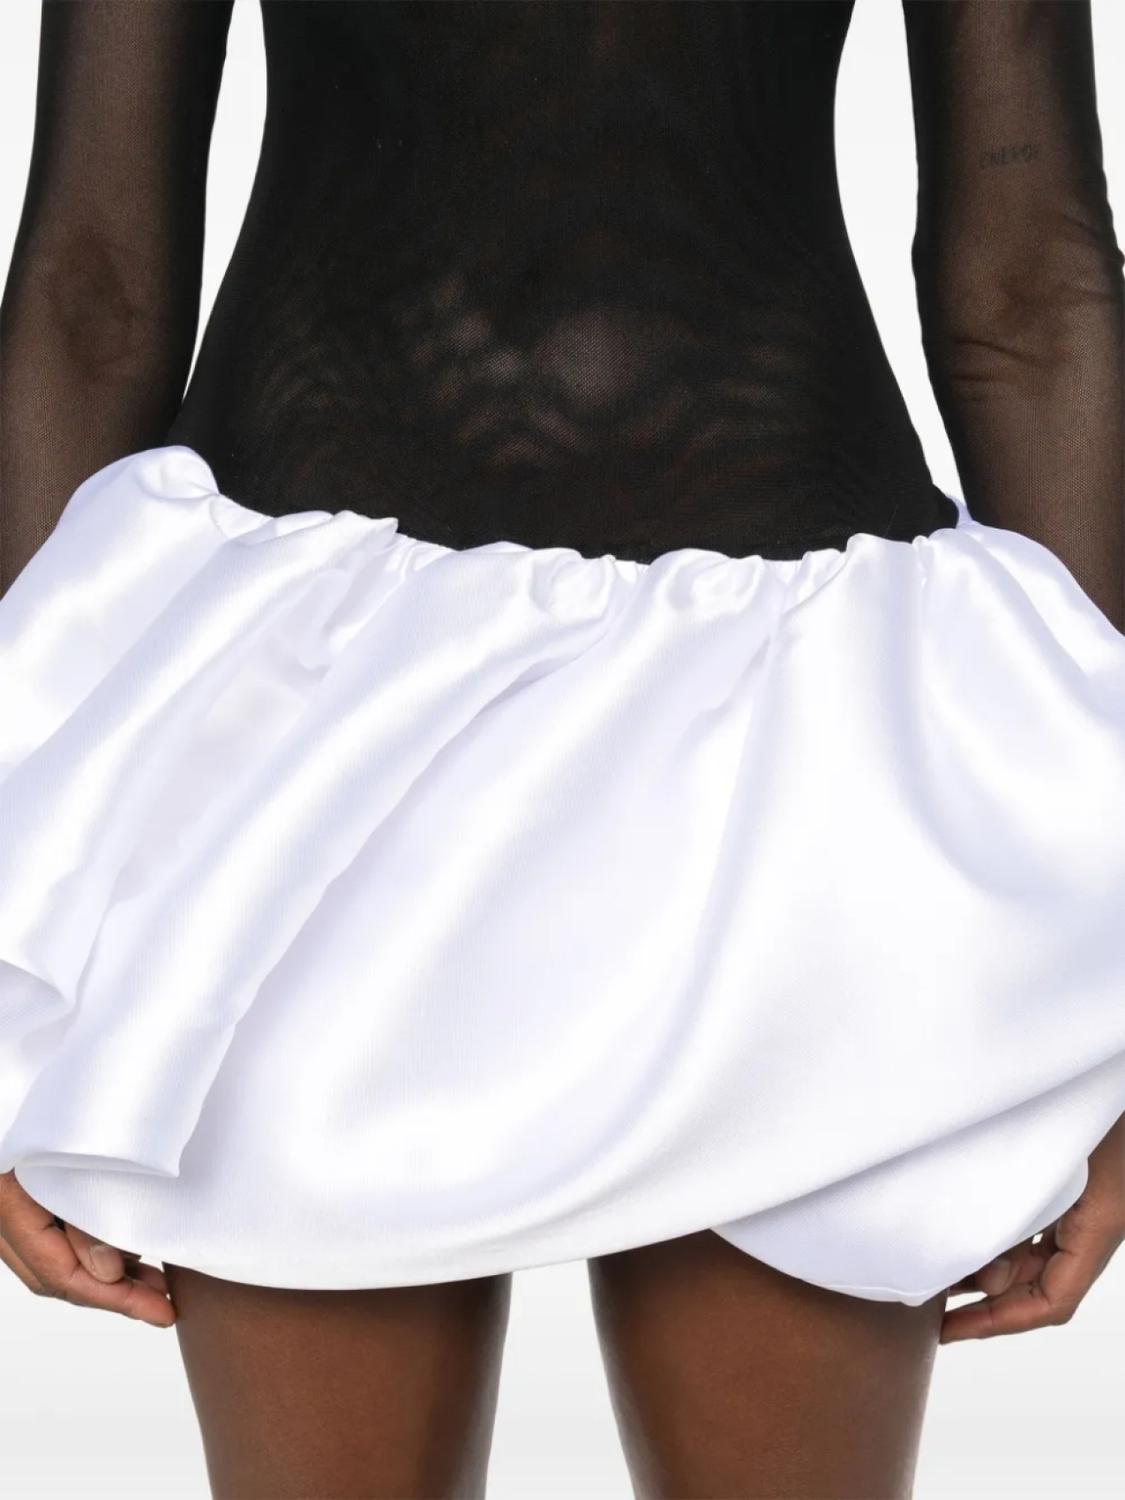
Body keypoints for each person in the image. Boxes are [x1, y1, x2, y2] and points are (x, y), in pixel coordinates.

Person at [1, 2, 1123, 1495]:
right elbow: (88, 285)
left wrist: (1107, 970)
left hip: (809, 754)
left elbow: (1036, 284)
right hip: (311, 749)